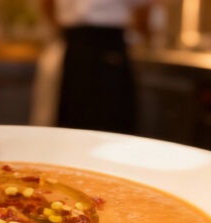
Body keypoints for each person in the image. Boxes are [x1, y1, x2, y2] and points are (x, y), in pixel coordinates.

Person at [42, 0, 151, 134]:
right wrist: (147, 35)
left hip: (75, 45)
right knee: (110, 122)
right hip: (107, 43)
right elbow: (144, 10)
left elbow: (46, 5)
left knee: (75, 118)